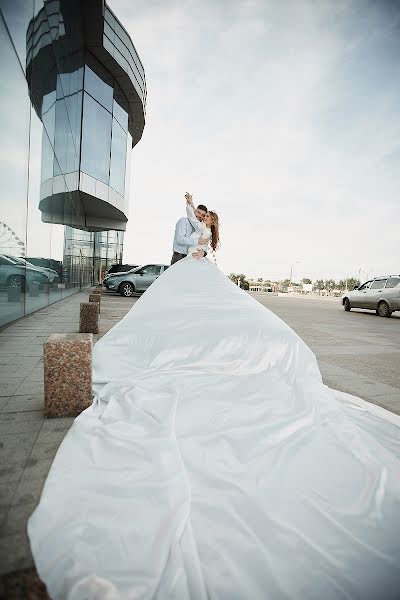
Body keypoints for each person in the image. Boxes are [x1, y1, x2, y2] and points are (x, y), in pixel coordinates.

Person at [28, 201, 400, 600]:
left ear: (210, 222)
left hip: (195, 269)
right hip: (195, 270)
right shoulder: (199, 228)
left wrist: (194, 240)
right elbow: (192, 231)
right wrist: (191, 212)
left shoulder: (201, 235)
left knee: (194, 320)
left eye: (205, 216)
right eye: (201, 215)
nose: (201, 219)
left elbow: (194, 244)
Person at [171, 198, 208, 265]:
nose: (200, 216)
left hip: (194, 258)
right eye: (198, 212)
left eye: (203, 215)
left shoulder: (201, 228)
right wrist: (197, 242)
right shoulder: (184, 221)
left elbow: (205, 245)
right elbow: (179, 239)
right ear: (194, 211)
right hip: (180, 257)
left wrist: (204, 253)